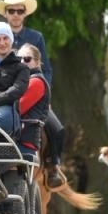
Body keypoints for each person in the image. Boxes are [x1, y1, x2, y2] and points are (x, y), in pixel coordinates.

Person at [15, 43, 67, 187]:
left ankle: (53, 166)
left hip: (37, 95)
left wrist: (45, 89)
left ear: (37, 62)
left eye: (27, 59)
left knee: (57, 129)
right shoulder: (1, 39)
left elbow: (48, 69)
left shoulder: (36, 36)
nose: (22, 61)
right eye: (19, 59)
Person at [0, 0, 50, 83]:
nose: (16, 15)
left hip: (31, 87)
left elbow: (46, 70)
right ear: (5, 13)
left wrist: (42, 88)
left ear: (25, 13)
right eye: (11, 11)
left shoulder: (37, 37)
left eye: (20, 11)